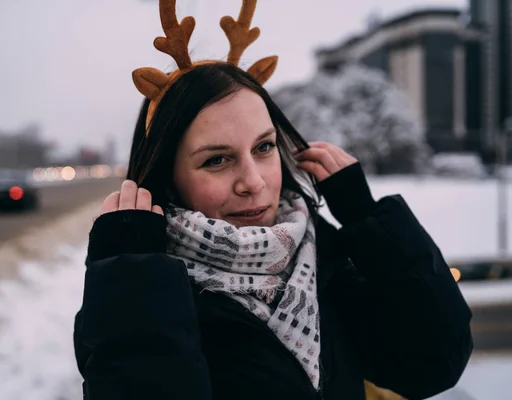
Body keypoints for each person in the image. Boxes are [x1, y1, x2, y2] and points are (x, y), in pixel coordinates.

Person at [73, 1, 473, 399]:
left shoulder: (321, 258)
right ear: (168, 177)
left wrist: (369, 223)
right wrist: (133, 285)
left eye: (264, 147)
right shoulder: (137, 297)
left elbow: (434, 364)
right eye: (216, 159)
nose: (254, 182)